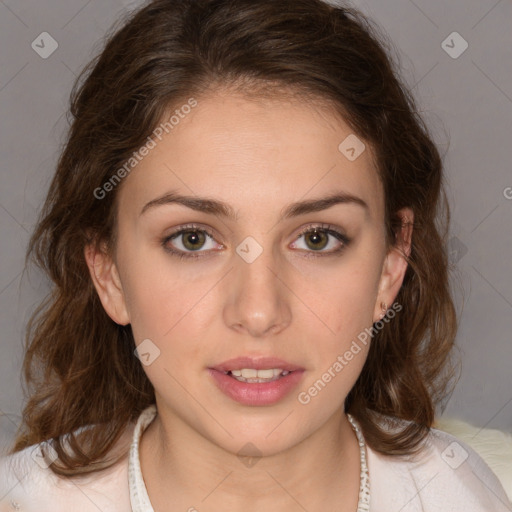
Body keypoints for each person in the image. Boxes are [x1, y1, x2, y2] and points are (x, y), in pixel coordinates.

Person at [1, 0, 510, 511]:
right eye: (193, 239)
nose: (260, 312)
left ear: (390, 266)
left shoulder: (459, 494)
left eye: (317, 238)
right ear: (108, 273)